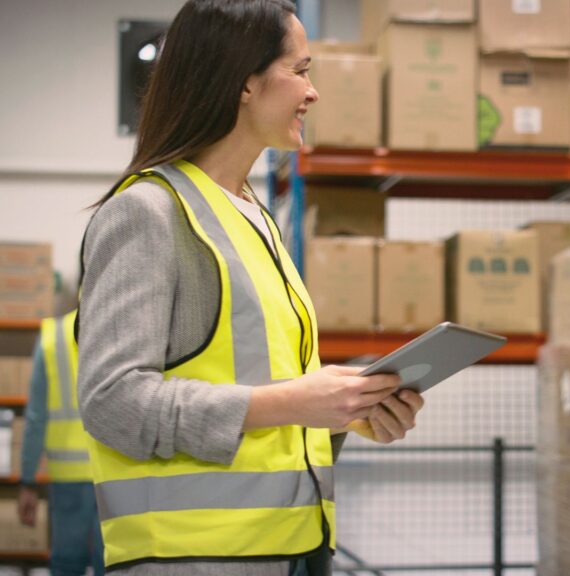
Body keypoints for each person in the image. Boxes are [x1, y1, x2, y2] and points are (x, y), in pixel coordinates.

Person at [76, 1, 424, 574]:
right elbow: (112, 403)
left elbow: (260, 394)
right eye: (301, 70)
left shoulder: (250, 214)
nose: (312, 93)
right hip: (191, 557)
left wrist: (346, 412)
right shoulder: (148, 214)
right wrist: (296, 401)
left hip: (288, 548)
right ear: (244, 81)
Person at [18, 310, 104, 575]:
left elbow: (35, 417)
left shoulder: (52, 337)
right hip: (115, 473)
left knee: (67, 563)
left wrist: (27, 480)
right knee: (113, 563)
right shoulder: (119, 325)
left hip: (68, 475)